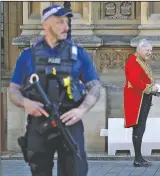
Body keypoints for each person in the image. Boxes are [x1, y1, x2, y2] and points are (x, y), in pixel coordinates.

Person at [9, 5, 101, 176]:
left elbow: (94, 86)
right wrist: (25, 102)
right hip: (40, 124)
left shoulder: (79, 54)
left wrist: (81, 110)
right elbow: (13, 90)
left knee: (75, 170)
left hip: (70, 123)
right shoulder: (28, 56)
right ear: (45, 25)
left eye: (67, 22)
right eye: (59, 22)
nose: (66, 27)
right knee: (40, 171)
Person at [123, 39, 160, 167]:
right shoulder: (133, 61)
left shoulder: (141, 61)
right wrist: (152, 89)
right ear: (139, 49)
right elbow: (135, 82)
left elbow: (144, 80)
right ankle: (137, 159)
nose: (149, 52)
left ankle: (139, 158)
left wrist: (154, 90)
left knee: (141, 126)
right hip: (136, 99)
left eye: (151, 50)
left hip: (142, 98)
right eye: (147, 50)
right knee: (138, 126)